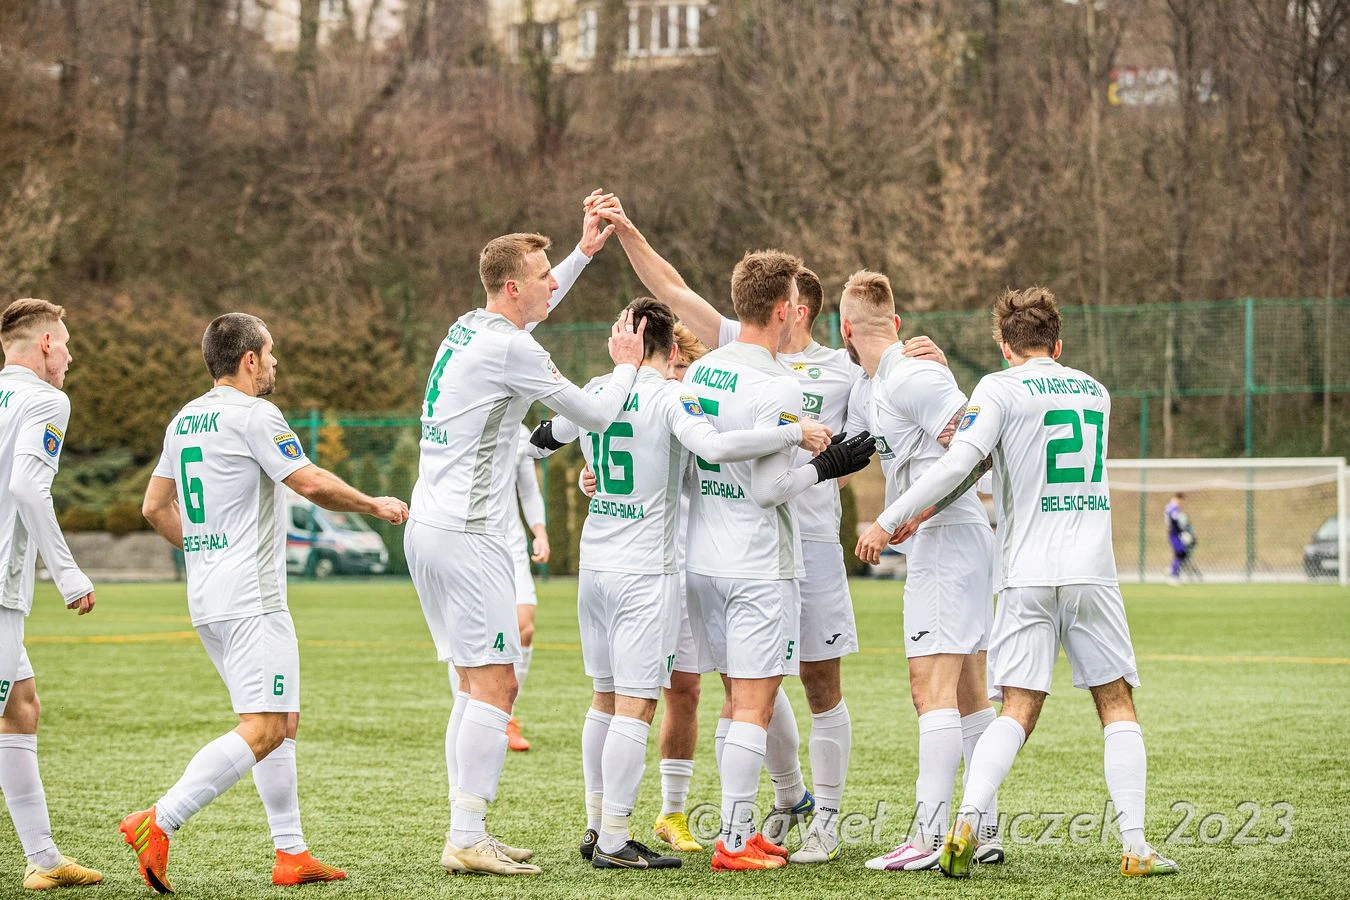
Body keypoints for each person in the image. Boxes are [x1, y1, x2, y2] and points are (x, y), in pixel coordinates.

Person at [593, 196, 946, 863]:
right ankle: (779, 806)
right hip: (762, 549)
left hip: (802, 545)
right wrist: (632, 233)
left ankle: (821, 820)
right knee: (749, 692)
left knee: (814, 685)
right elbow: (672, 289)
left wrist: (921, 358)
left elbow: (885, 413)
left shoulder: (840, 369)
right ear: (786, 307)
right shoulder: (741, 351)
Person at [857, 287, 1178, 879]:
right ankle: (1136, 845)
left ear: (1004, 347)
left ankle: (967, 822)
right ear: (1059, 343)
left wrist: (890, 517)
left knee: (1016, 709)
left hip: (1026, 573)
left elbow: (964, 461)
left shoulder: (998, 388)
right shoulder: (1096, 392)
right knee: (1116, 704)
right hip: (1092, 573)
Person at [530, 297, 834, 870]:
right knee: (635, 706)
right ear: (672, 348)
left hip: (593, 565)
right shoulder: (671, 396)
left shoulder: (596, 389)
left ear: (621, 339)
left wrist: (595, 475)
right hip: (646, 570)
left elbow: (542, 440)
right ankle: (615, 839)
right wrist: (793, 435)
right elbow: (715, 448)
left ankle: (595, 824)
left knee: (602, 698)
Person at [125, 313, 409, 894]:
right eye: (271, 352)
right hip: (252, 599)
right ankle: (159, 820)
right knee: (265, 725)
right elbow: (310, 483)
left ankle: (291, 853)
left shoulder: (184, 419)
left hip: (209, 596)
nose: (276, 362)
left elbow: (154, 507)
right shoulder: (255, 415)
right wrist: (374, 505)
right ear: (249, 359)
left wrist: (204, 550)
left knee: (283, 720)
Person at [407, 212, 649, 877]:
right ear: (513, 288)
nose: (551, 285)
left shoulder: (471, 325)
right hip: (468, 535)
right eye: (541, 276)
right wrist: (626, 367)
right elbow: (596, 413)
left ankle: (466, 829)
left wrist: (582, 253)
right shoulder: (512, 348)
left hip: (432, 524)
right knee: (497, 684)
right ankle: (466, 836)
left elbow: (535, 312)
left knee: (472, 685)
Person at [836, 271, 1001, 872]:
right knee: (968, 690)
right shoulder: (876, 383)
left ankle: (928, 837)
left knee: (929, 688)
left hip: (948, 540)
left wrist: (901, 516)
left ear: (845, 330)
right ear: (897, 323)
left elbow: (977, 453)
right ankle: (982, 830)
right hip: (948, 543)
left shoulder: (914, 375)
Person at [0, 299, 102, 891]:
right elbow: (27, 488)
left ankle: (42, 858)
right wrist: (69, 575)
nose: (69, 355)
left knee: (21, 706)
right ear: (44, 344)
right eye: (65, 343)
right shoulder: (45, 400)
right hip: (0, 592)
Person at [504, 422, 549, 751]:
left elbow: (529, 490)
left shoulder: (520, 434)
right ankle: (471, 714)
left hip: (511, 542)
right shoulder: (462, 416)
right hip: (470, 542)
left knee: (524, 626)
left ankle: (505, 717)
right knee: (468, 638)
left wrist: (540, 533)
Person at [1163, 493, 1197, 585]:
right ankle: (1173, 575)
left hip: (1175, 533)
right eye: (1181, 501)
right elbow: (1175, 520)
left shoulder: (1169, 507)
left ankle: (1172, 570)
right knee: (1180, 554)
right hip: (1175, 534)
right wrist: (1184, 529)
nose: (1181, 503)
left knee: (1181, 554)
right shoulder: (1173, 508)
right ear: (1178, 499)